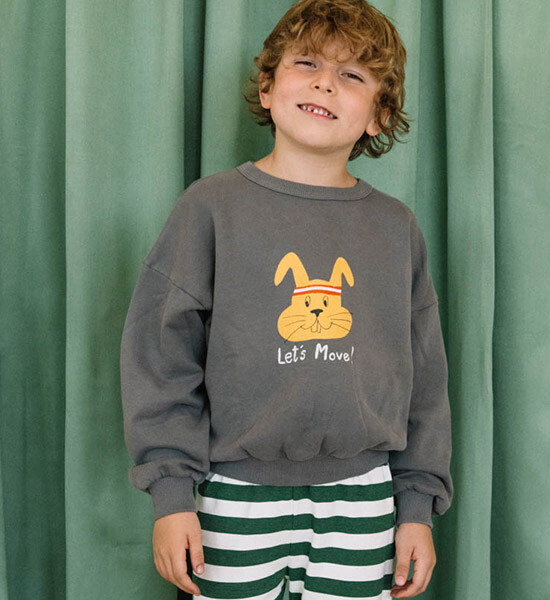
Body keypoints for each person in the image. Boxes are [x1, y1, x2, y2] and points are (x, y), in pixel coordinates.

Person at [120, 0, 453, 598]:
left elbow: (424, 380)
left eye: (352, 74)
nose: (326, 82)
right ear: (268, 87)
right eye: (307, 63)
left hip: (365, 498)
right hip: (232, 495)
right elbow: (162, 358)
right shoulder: (210, 208)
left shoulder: (395, 228)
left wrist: (417, 507)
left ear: (379, 115)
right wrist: (172, 493)